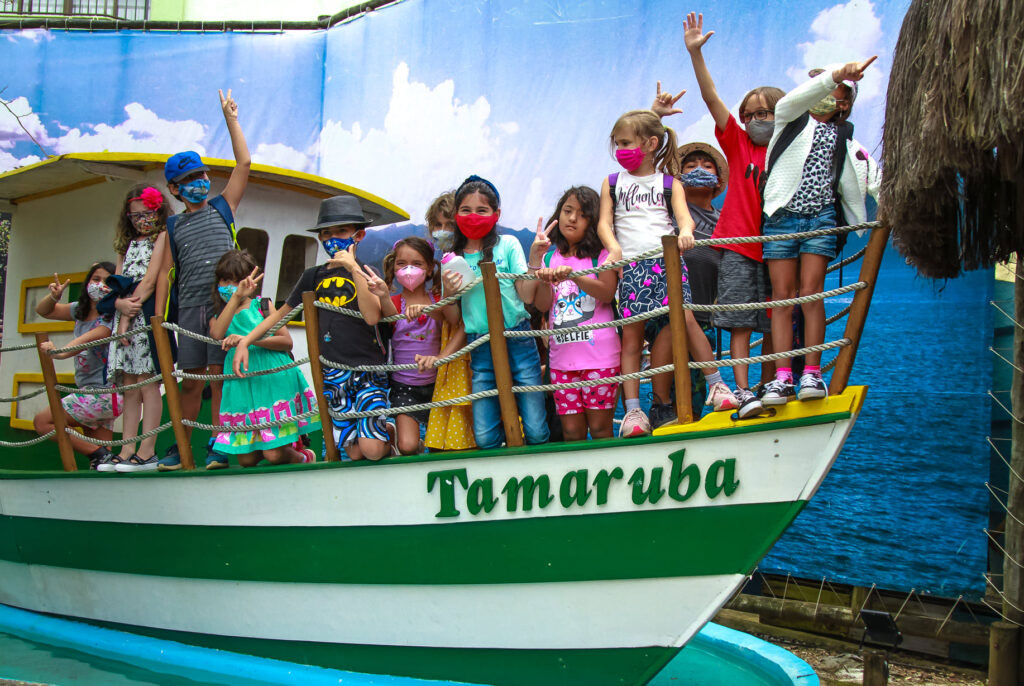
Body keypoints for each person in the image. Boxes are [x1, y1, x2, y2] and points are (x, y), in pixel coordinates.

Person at [596, 109, 738, 437]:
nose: (620, 150)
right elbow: (605, 222)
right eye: (617, 144)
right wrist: (613, 249)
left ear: (650, 144)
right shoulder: (613, 183)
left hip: (666, 262)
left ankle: (717, 385)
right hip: (630, 266)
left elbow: (683, 217)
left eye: (626, 143)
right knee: (631, 338)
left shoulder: (669, 183)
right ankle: (634, 412)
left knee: (686, 320)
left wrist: (686, 232)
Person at [676, 11, 783, 418]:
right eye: (751, 114)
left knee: (777, 318)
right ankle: (742, 391)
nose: (758, 120)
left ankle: (775, 382)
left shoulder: (789, 150)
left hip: (776, 246)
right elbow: (711, 98)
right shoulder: (738, 145)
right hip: (738, 245)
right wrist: (696, 56)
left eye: (767, 112)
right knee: (739, 322)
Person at [233, 195, 392, 461]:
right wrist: (246, 341)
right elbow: (280, 316)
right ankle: (377, 438)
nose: (332, 238)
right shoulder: (313, 276)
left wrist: (353, 268)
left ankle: (389, 437)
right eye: (326, 233)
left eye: (341, 231)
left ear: (359, 235)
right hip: (332, 372)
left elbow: (372, 317)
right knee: (354, 453)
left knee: (372, 451)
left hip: (366, 370)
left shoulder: (366, 272)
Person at [760, 57, 881, 404]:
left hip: (821, 218)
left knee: (812, 294)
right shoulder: (789, 119)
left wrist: (888, 201)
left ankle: (811, 374)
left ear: (846, 103)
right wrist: (836, 75)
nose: (827, 94)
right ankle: (783, 376)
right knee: (782, 297)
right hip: (781, 215)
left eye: (838, 92)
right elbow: (789, 100)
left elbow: (870, 175)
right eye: (823, 87)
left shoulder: (845, 136)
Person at [159, 89, 250, 471]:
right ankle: (182, 446)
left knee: (219, 379)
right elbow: (164, 274)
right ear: (175, 189)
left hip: (224, 304)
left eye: (201, 175)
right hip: (190, 309)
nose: (199, 182)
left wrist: (230, 118)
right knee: (191, 381)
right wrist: (161, 322)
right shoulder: (174, 225)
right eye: (189, 179)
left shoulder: (222, 206)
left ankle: (219, 446)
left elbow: (244, 162)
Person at [441, 175, 549, 449]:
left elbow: (525, 295)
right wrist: (448, 290)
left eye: (482, 210)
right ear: (456, 214)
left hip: (519, 338)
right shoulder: (453, 259)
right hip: (480, 344)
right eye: (466, 210)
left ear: (495, 214)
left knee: (536, 428)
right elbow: (453, 319)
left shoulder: (508, 244)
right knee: (485, 436)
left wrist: (535, 258)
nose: (473, 216)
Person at [209, 251, 318, 468]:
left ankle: (304, 456)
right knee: (247, 459)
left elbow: (286, 342)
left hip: (272, 376)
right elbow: (217, 334)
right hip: (242, 381)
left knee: (273, 455)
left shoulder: (263, 305)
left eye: (235, 280)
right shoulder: (219, 314)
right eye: (224, 279)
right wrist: (235, 298)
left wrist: (247, 341)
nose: (229, 285)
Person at [533, 186, 620, 441]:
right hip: (562, 361)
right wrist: (540, 271)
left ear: (593, 222)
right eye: (567, 211)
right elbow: (542, 305)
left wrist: (573, 276)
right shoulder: (550, 258)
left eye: (581, 215)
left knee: (601, 428)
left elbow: (606, 292)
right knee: (571, 431)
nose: (572, 218)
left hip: (600, 359)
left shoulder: (603, 255)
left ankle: (608, 478)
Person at [104, 185, 171, 470]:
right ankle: (126, 447)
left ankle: (148, 449)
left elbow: (152, 279)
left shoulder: (163, 237)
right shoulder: (127, 244)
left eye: (148, 214)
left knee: (148, 383)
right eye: (135, 216)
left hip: (143, 316)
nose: (142, 220)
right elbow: (119, 280)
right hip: (125, 317)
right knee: (129, 386)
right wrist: (119, 308)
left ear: (159, 212)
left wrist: (127, 316)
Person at [33, 264, 123, 470]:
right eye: (95, 279)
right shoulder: (79, 310)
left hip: (104, 394)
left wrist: (57, 352)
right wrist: (54, 297)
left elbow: (87, 340)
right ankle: (102, 457)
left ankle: (101, 454)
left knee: (42, 422)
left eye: (106, 282)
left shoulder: (110, 319)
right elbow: (43, 311)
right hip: (91, 393)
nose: (100, 285)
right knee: (101, 466)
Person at [374, 237, 456, 455]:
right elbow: (388, 317)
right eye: (401, 263)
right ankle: (406, 441)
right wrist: (382, 295)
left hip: (439, 384)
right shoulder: (393, 303)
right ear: (393, 266)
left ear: (429, 269)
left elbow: (453, 319)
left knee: (441, 447)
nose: (408, 269)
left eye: (417, 264)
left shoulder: (438, 299)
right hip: (404, 386)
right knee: (408, 447)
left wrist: (427, 309)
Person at [422, 192, 477, 452]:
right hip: (451, 348)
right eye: (437, 225)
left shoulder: (464, 263)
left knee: (467, 408)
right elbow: (450, 315)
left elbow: (466, 321)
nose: (441, 231)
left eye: (449, 225)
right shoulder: (443, 264)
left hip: (464, 351)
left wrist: (443, 356)